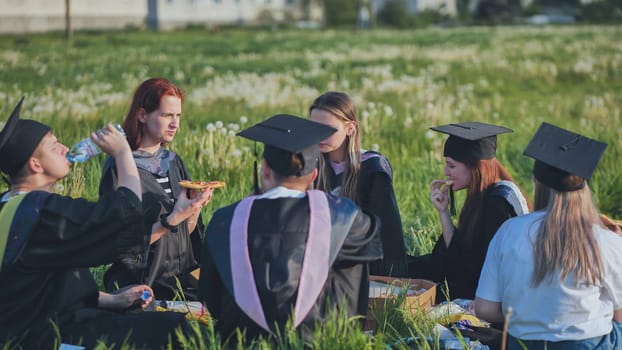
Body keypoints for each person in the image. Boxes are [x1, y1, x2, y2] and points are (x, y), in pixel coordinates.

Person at [0, 97, 208, 348]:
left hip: (39, 324)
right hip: (48, 336)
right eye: (55, 147)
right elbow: (123, 217)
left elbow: (43, 287)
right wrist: (123, 153)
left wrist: (113, 300)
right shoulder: (44, 213)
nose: (66, 148)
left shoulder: (11, 206)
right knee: (177, 330)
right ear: (35, 164)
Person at [198, 114, 382, 342]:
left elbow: (210, 298)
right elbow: (372, 246)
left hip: (243, 341)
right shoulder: (342, 216)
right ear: (314, 176)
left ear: (264, 170)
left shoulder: (225, 220)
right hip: (319, 340)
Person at [475, 122, 622, 349]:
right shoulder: (607, 241)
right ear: (584, 188)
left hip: (522, 344)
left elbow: (484, 309)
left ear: (537, 183)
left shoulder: (509, 231)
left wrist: (530, 316)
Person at [100, 77, 213, 300]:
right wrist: (172, 218)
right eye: (166, 115)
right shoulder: (121, 166)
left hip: (182, 279)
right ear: (142, 115)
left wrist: (194, 209)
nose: (175, 123)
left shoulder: (172, 161)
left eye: (178, 115)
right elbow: (121, 245)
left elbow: (187, 233)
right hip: (142, 283)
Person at [408, 122, 530, 301]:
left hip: (494, 298)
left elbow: (476, 272)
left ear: (475, 167)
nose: (446, 172)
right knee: (409, 267)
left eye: (451, 165)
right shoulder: (481, 196)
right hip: (472, 281)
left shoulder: (499, 204)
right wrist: (443, 212)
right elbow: (460, 255)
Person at [309, 91, 408, 277]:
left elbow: (386, 230)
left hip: (362, 266)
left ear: (350, 129)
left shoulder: (372, 168)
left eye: (328, 129)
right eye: (315, 128)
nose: (320, 136)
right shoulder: (309, 166)